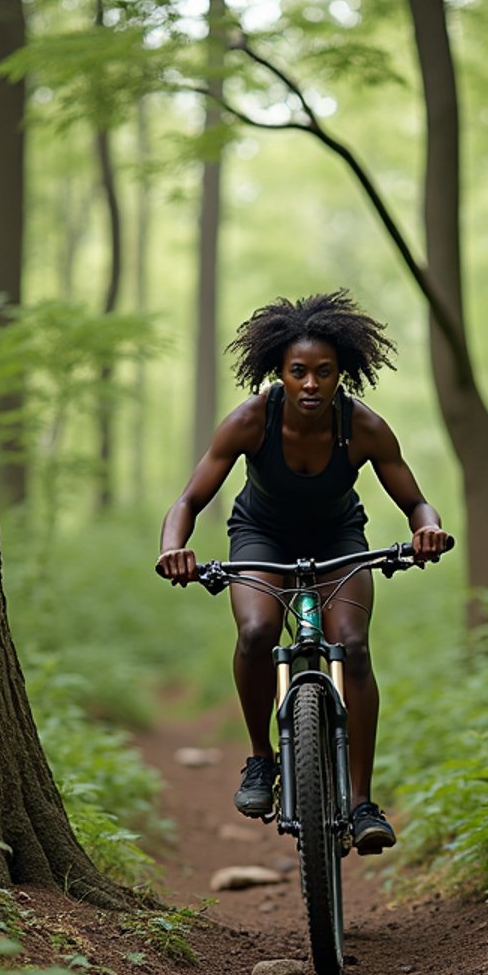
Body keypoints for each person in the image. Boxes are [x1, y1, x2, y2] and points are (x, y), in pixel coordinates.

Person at [157, 289, 448, 853]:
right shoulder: (250, 420)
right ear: (280, 374)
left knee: (353, 646)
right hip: (260, 536)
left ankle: (363, 802)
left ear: (343, 374)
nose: (311, 384)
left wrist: (426, 531)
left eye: (324, 372)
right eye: (299, 372)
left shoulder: (362, 426)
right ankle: (261, 761)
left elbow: (417, 502)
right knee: (259, 631)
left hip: (339, 540)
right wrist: (174, 547)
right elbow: (189, 501)